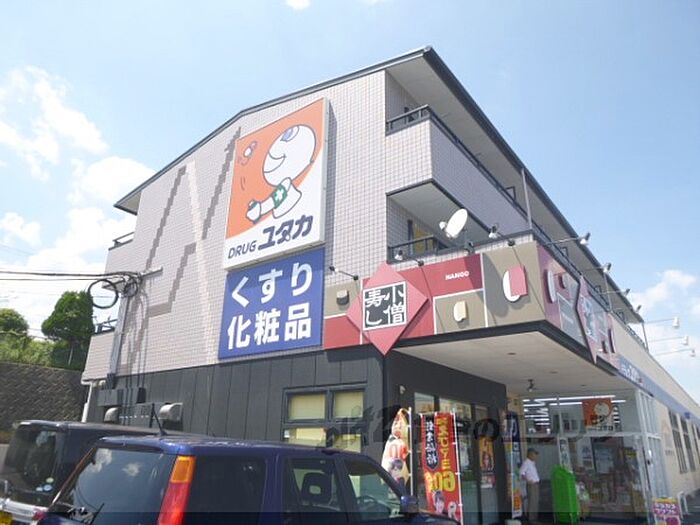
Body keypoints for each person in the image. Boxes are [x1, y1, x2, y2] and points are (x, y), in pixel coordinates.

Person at [520, 448, 540, 524]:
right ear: (530, 454)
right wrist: (528, 481)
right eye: (535, 454)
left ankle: (535, 519)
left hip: (536, 484)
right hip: (531, 485)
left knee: (535, 502)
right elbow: (521, 473)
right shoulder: (526, 463)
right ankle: (531, 520)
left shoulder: (532, 463)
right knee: (532, 502)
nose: (536, 456)